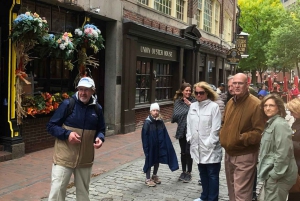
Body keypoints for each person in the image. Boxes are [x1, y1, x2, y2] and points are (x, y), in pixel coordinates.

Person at [47, 77, 106, 201]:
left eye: (86, 90)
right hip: (64, 157)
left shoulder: (97, 109)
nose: (83, 92)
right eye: (80, 89)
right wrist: (67, 134)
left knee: (83, 193)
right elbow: (51, 126)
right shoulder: (68, 104)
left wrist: (100, 138)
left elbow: (101, 129)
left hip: (85, 158)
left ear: (93, 91)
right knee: (57, 190)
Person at [220, 73, 265, 201]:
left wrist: (239, 138)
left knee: (242, 195)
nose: (237, 86)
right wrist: (223, 135)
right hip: (229, 153)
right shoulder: (230, 102)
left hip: (245, 155)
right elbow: (224, 123)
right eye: (235, 83)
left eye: (240, 83)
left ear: (247, 85)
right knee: (232, 193)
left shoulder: (255, 104)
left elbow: (259, 132)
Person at [258, 94, 298, 201]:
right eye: (265, 105)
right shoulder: (272, 123)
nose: (267, 108)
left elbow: (283, 152)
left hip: (279, 176)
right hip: (273, 174)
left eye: (271, 105)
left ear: (278, 107)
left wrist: (275, 174)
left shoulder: (280, 124)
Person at [187, 82, 222, 201]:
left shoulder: (214, 107)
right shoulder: (193, 106)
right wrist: (189, 137)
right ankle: (204, 196)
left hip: (210, 148)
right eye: (196, 93)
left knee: (212, 174)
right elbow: (189, 123)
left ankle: (212, 198)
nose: (198, 95)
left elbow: (216, 128)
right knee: (202, 173)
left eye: (201, 93)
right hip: (197, 146)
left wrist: (209, 143)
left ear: (207, 93)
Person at [142, 103, 179, 187]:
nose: (155, 112)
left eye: (157, 110)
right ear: (150, 111)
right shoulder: (147, 123)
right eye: (154, 110)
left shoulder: (160, 122)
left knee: (156, 160)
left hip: (158, 145)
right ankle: (147, 179)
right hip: (150, 146)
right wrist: (146, 148)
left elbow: (164, 133)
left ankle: (154, 175)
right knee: (149, 160)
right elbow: (144, 137)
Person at [171, 83, 196, 183]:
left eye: (190, 90)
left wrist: (190, 107)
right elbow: (175, 115)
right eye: (186, 90)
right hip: (182, 130)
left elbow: (196, 113)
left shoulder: (194, 101)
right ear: (182, 91)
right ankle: (183, 171)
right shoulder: (178, 102)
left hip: (191, 130)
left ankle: (189, 172)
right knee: (183, 152)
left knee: (189, 152)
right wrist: (185, 113)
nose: (188, 92)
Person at [286, 98, 300, 201]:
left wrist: (289, 143)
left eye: (292, 111)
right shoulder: (296, 122)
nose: (290, 114)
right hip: (295, 162)